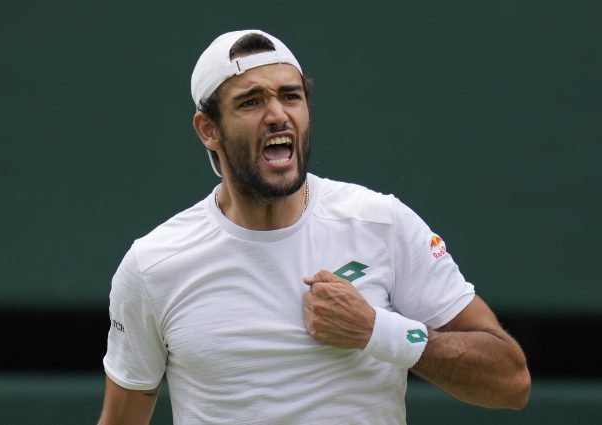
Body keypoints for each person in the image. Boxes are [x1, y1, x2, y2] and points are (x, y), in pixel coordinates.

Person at [98, 29, 531, 425]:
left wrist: (377, 330)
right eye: (251, 102)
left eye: (291, 96)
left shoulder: (381, 222)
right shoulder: (153, 265)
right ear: (208, 129)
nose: (277, 115)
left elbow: (511, 382)